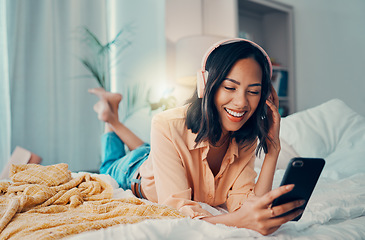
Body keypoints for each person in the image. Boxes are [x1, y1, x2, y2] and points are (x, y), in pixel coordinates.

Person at [89, 38, 304, 236]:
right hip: (135, 170)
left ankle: (112, 116)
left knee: (147, 148)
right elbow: (178, 215)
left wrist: (272, 149)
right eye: (230, 87)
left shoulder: (245, 137)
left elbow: (249, 206)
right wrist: (240, 221)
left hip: (159, 156)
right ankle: (109, 118)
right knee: (108, 166)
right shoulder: (165, 124)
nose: (241, 103)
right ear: (206, 84)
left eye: (254, 91)